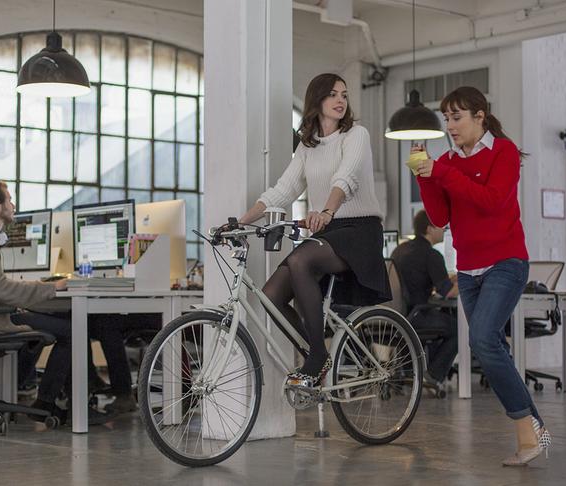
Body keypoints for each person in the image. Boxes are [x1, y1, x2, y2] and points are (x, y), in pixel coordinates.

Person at [413, 86, 549, 466]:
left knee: (484, 338)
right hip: (469, 270)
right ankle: (538, 433)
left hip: (506, 262)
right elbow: (440, 218)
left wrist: (441, 171)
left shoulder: (503, 152)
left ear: (479, 117)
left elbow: (492, 200)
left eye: (457, 118)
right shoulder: (448, 162)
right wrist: (425, 176)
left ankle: (525, 429)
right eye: (446, 119)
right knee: (490, 346)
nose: (450, 126)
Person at [235, 73, 390, 387]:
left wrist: (328, 210)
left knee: (299, 260)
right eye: (333, 94)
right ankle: (315, 351)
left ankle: (318, 357)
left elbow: (345, 178)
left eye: (344, 95)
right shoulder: (308, 147)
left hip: (358, 230)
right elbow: (283, 190)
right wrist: (241, 222)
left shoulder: (355, 135)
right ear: (316, 100)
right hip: (328, 230)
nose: (340, 101)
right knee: (270, 296)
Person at [0, 180, 113, 424]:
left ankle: (58, 399)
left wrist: (36, 294)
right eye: (9, 199)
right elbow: (0, 288)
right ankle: (47, 402)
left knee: (64, 320)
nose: (13, 205)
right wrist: (52, 287)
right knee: (73, 329)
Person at [390, 209, 458, 386]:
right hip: (418, 315)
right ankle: (433, 375)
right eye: (441, 226)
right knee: (458, 328)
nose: (444, 229)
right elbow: (448, 292)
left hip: (397, 315)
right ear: (430, 228)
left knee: (443, 319)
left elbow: (427, 280)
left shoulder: (400, 249)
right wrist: (469, 279)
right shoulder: (431, 255)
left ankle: (411, 371)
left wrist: (455, 278)